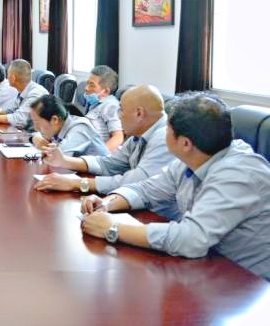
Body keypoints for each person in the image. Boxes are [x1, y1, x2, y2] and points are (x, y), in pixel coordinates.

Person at [79, 92, 270, 280]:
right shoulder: (194, 158)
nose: (163, 132)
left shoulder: (238, 174)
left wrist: (112, 228)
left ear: (185, 143)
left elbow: (191, 238)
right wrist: (106, 204)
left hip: (247, 282)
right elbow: (146, 189)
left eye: (167, 128)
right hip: (206, 268)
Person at [35, 85, 176, 207]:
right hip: (133, 204)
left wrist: (76, 183)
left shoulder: (165, 138)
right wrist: (64, 161)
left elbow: (135, 181)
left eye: (121, 110)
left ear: (139, 113)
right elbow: (109, 164)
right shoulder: (138, 134)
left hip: (161, 216)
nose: (118, 116)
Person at [27, 95, 109, 157]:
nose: (36, 128)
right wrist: (34, 138)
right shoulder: (57, 127)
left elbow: (57, 158)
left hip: (97, 174)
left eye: (37, 122)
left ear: (55, 120)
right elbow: (36, 134)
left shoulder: (80, 128)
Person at [84, 65, 124, 153]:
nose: (86, 88)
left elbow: (118, 138)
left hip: (95, 156)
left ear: (105, 91)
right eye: (87, 83)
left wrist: (97, 156)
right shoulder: (95, 104)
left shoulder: (110, 106)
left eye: (92, 85)